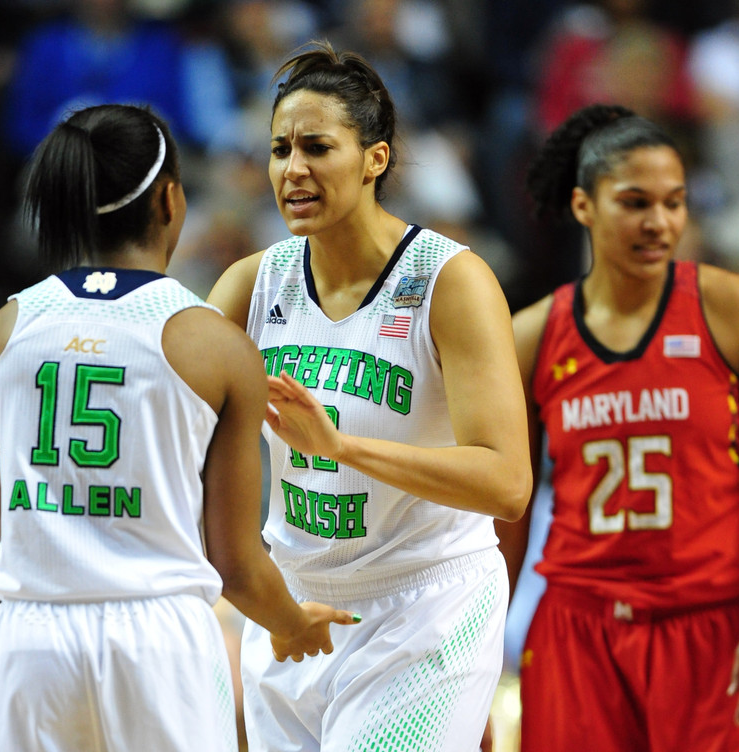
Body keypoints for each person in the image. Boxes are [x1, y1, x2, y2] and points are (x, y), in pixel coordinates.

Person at [0, 103, 358, 751]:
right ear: (170, 200)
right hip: (156, 641)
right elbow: (232, 562)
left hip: (30, 640)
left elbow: (15, 524)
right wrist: (291, 624)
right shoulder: (212, 344)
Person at [206, 41, 532, 752]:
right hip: (294, 600)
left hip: (426, 604)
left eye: (317, 147)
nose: (292, 169)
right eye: (279, 149)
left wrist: (342, 447)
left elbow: (507, 483)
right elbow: (179, 443)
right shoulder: (249, 284)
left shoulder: (451, 282)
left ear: (374, 159)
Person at [498, 103, 739, 751]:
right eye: (635, 202)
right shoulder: (532, 334)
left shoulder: (735, 309)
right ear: (583, 206)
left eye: (674, 203)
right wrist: (476, 656)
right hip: (576, 629)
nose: (659, 222)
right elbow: (509, 508)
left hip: (712, 624)